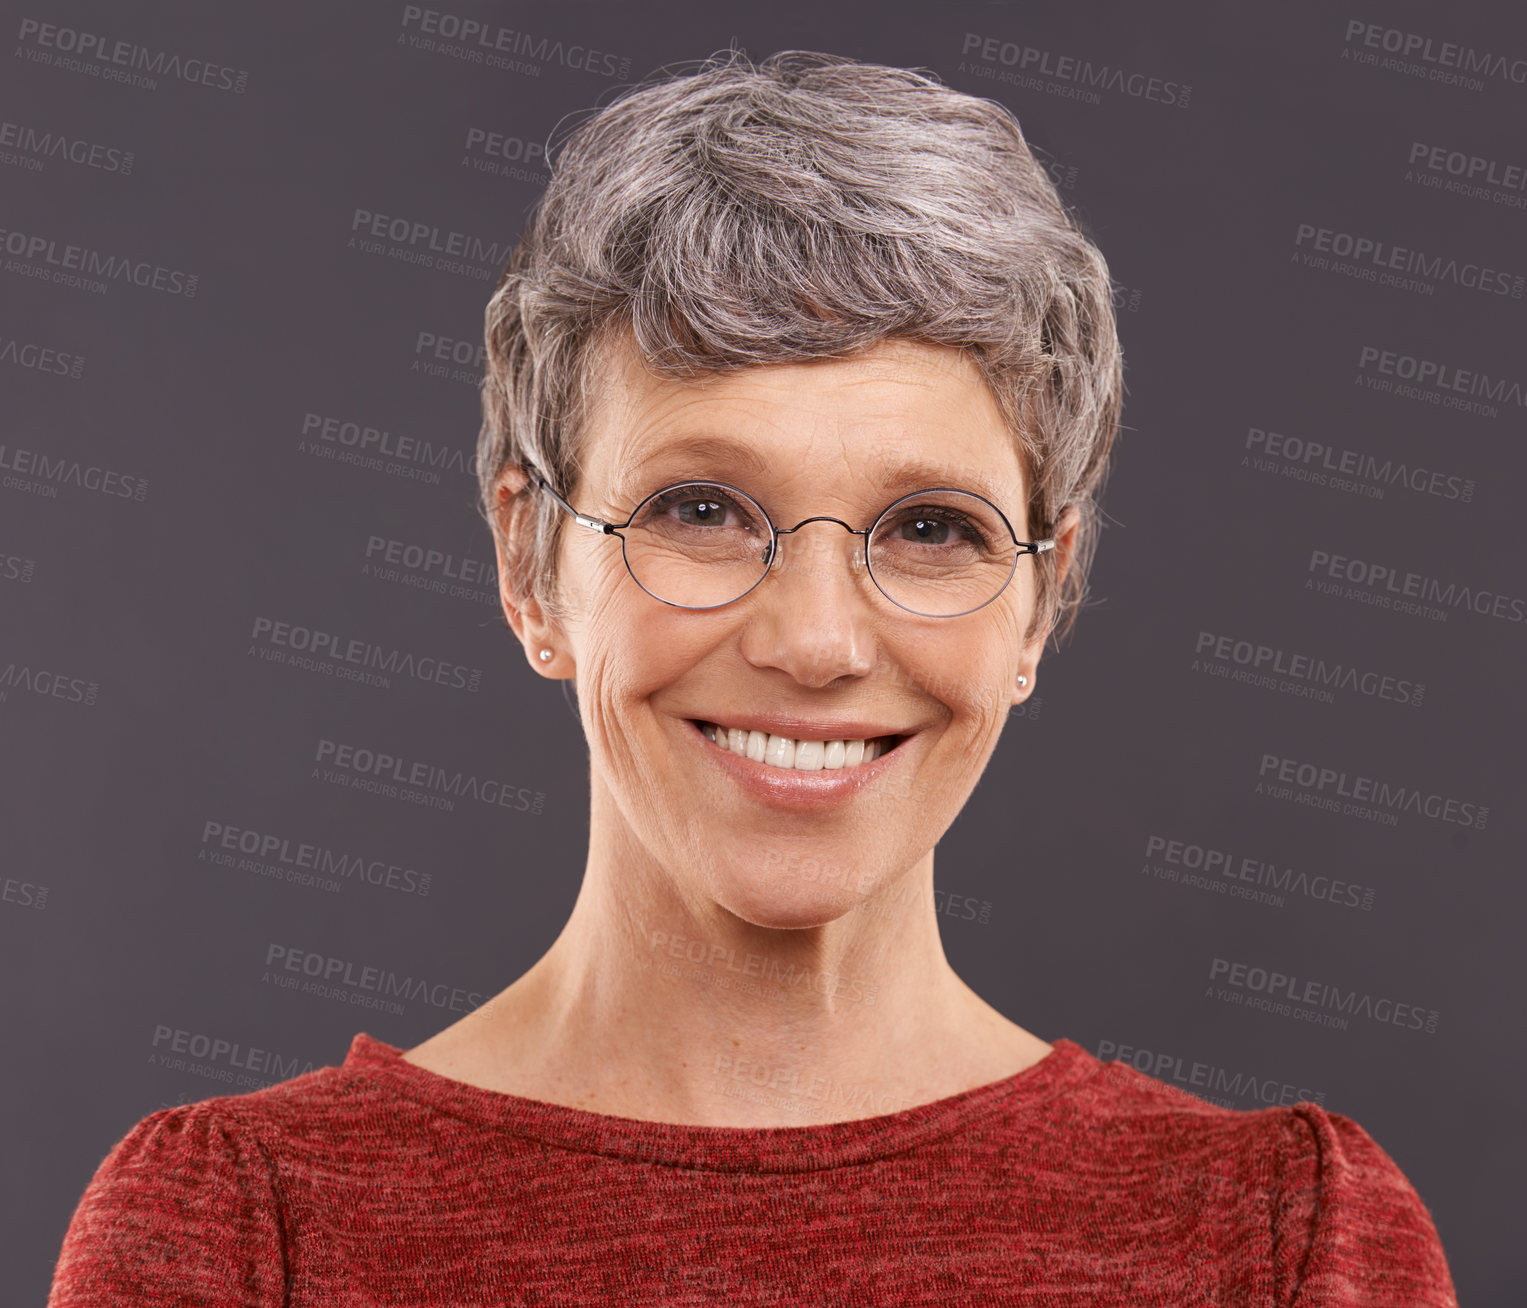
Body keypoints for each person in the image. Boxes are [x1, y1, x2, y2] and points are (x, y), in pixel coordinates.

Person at [49, 48, 1456, 1306]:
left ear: (1040, 600)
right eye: (703, 510)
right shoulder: (238, 1236)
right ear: (531, 560)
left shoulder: (1286, 1243)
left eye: (930, 529)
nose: (818, 642)